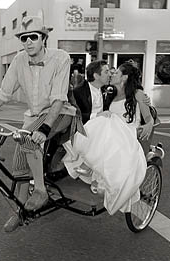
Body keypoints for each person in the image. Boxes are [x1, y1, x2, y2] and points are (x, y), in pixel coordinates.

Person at [0, 14, 84, 232]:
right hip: (34, 116)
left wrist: (44, 129)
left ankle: (41, 191)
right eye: (24, 38)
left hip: (61, 112)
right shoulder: (19, 60)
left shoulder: (60, 57)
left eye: (33, 37)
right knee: (19, 167)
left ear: (43, 38)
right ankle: (22, 212)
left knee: (29, 142)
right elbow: (5, 93)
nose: (28, 42)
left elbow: (59, 98)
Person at [62, 61, 154, 215]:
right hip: (112, 129)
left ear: (124, 77)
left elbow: (149, 118)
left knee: (105, 123)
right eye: (109, 72)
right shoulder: (110, 92)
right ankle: (89, 165)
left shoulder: (137, 94)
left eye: (116, 73)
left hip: (127, 132)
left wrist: (149, 125)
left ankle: (87, 165)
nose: (112, 74)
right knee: (103, 121)